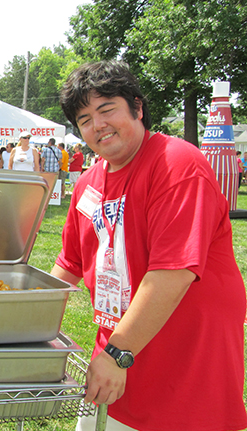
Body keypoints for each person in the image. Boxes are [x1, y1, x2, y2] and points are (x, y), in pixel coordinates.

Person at [52, 60, 247, 431]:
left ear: (138, 108)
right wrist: (28, 326)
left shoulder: (177, 164)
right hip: (115, 359)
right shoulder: (87, 184)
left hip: (184, 364)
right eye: (85, 120)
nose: (98, 126)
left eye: (106, 110)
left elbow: (172, 273)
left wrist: (117, 354)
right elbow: (68, 265)